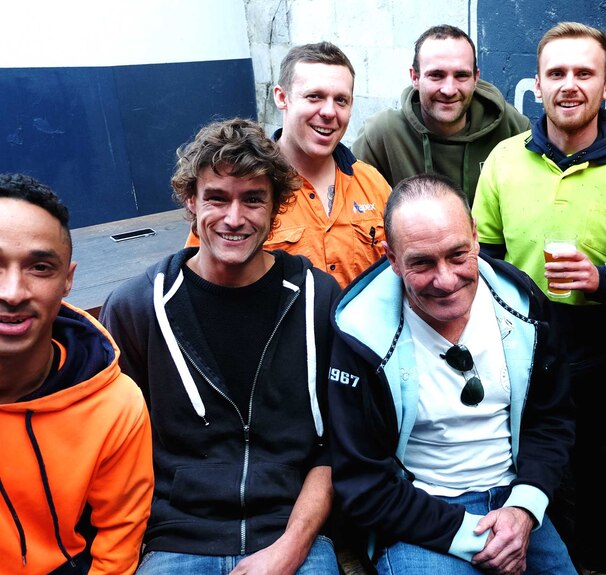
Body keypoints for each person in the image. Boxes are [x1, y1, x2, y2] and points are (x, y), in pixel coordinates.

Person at [101, 119, 341, 574]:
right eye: (217, 198)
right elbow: (115, 454)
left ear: (276, 207)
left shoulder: (317, 298)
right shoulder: (138, 307)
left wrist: (290, 548)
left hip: (292, 534)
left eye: (253, 199)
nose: (235, 218)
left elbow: (335, 446)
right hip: (176, 539)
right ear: (191, 201)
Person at [472, 22, 606, 573]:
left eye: (584, 72)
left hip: (604, 348)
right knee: (520, 463)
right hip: (519, 341)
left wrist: (603, 280)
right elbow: (481, 255)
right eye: (556, 73)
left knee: (597, 473)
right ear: (537, 84)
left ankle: (593, 561)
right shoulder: (504, 160)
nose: (569, 84)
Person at [328, 174, 577, 575]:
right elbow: (364, 483)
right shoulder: (362, 336)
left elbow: (551, 419)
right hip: (419, 514)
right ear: (391, 258)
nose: (445, 280)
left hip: (517, 498)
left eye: (458, 255)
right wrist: (473, 535)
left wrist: (525, 508)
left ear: (476, 237)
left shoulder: (523, 306)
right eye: (422, 263)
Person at [0, 173, 153, 574]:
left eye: (39, 267)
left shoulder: (115, 405)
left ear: (68, 280)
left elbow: (118, 544)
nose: (13, 291)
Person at [186, 42, 390, 288]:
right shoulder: (245, 191)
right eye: (314, 96)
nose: (329, 111)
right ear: (282, 97)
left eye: (341, 100)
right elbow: (199, 283)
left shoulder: (373, 184)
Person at [351, 25, 530, 204]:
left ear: (476, 78)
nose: (449, 90)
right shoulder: (381, 137)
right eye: (436, 75)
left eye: (461, 75)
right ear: (415, 78)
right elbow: (354, 212)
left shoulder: (512, 128)